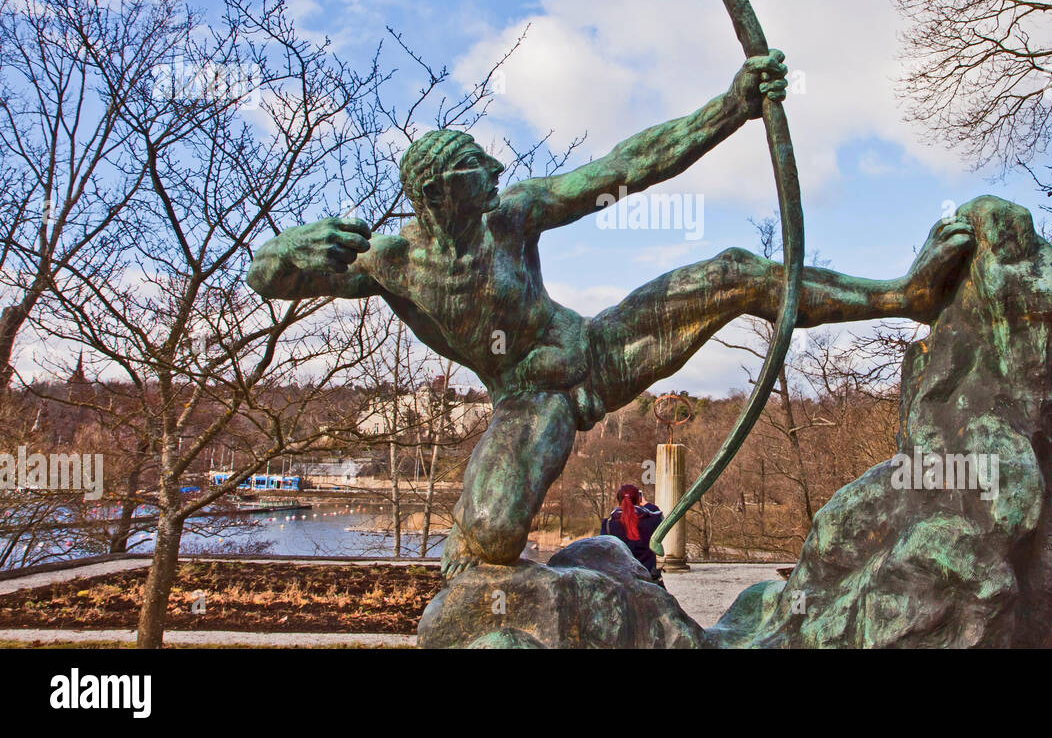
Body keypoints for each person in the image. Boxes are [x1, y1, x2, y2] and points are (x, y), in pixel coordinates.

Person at [246, 48, 974, 578]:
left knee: (735, 273)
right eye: (477, 170)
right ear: (438, 196)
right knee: (493, 541)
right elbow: (264, 275)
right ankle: (482, 554)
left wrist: (732, 107)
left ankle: (899, 296)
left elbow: (624, 168)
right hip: (530, 403)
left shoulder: (512, 215)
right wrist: (292, 246)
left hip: (599, 354)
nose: (497, 174)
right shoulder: (392, 266)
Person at [601, 483, 664, 585]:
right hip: (648, 581)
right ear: (638, 499)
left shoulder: (608, 523)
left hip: (620, 582)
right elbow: (658, 514)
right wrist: (645, 503)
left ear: (618, 500)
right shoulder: (652, 520)